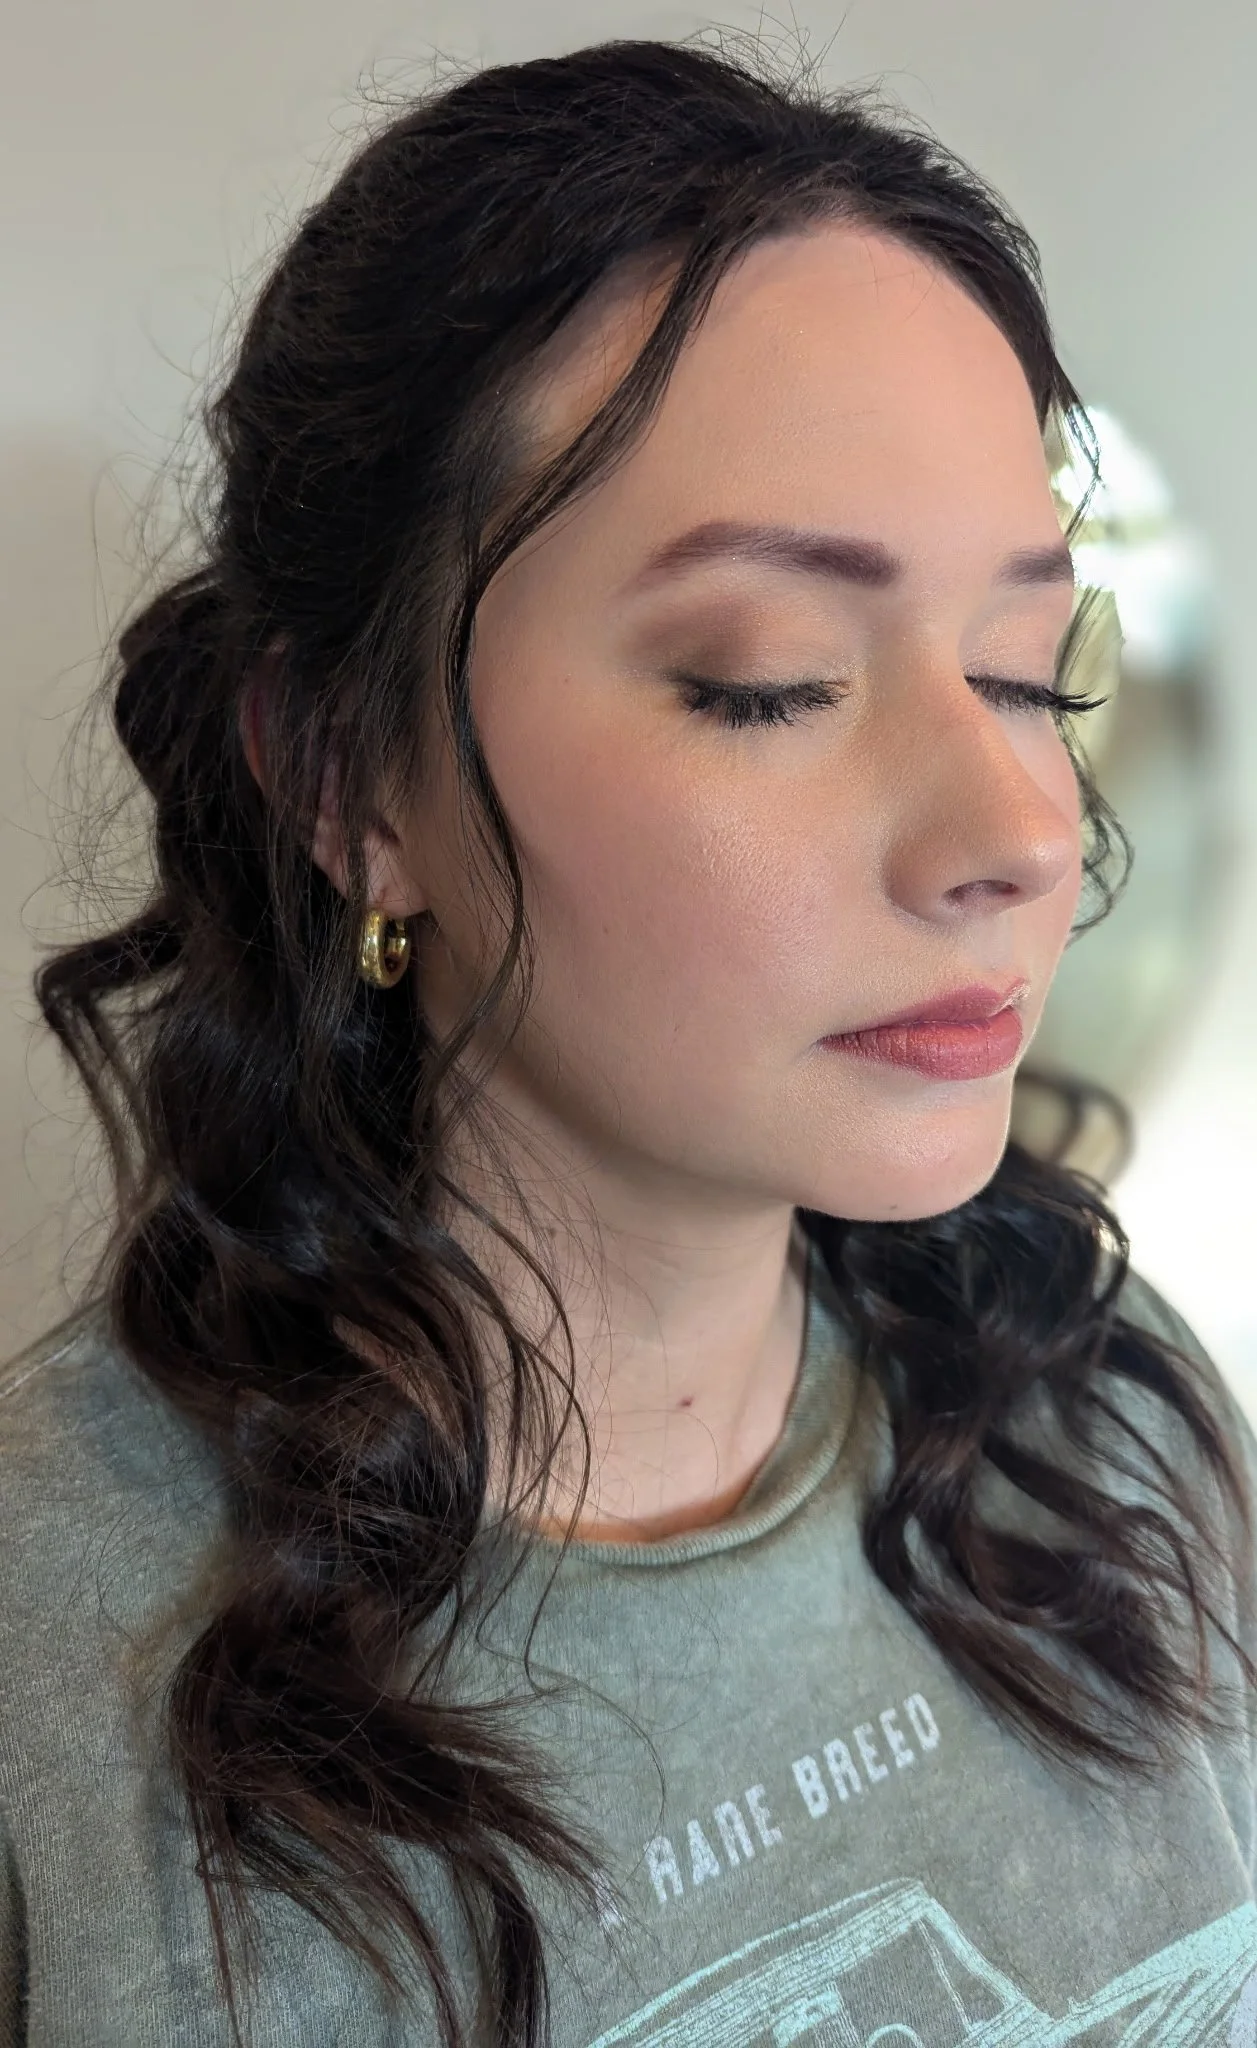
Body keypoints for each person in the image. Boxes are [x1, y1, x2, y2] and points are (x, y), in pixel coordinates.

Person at [2, 30, 1255, 2048]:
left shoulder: (1104, 1416)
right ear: (346, 778)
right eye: (766, 682)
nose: (1022, 832)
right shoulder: (48, 1685)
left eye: (1030, 667)